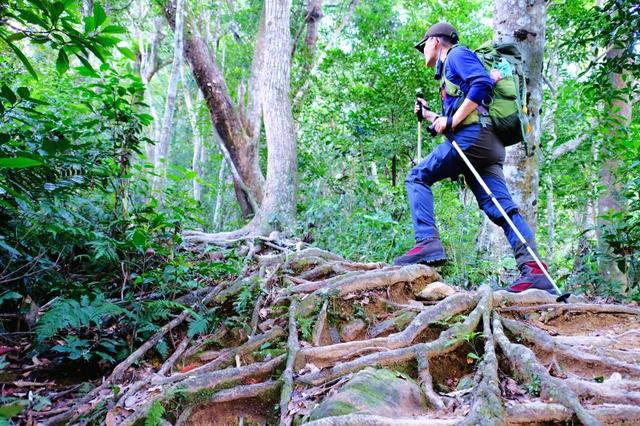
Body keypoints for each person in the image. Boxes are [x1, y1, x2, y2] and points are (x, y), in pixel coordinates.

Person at [392, 22, 557, 295]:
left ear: (434, 41)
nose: (423, 51)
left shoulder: (456, 55)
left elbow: (481, 85)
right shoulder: (451, 72)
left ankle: (427, 242)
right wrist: (432, 116)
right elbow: (458, 115)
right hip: (489, 144)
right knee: (501, 208)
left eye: (423, 46)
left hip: (473, 139)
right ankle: (535, 270)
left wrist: (452, 119)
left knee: (417, 177)